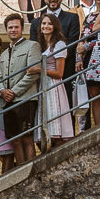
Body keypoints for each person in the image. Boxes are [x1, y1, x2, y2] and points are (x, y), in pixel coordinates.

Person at [0, 14, 42, 166]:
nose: (13, 30)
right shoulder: (3, 54)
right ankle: (21, 172)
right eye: (10, 27)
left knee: (27, 138)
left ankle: (31, 172)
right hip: (7, 101)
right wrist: (2, 91)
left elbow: (33, 75)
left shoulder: (32, 46)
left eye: (16, 27)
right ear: (6, 30)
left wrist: (13, 91)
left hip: (25, 99)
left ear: (22, 28)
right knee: (14, 139)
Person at [35, 15, 74, 150]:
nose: (46, 26)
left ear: (55, 27)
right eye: (43, 23)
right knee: (41, 132)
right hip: (41, 85)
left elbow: (59, 73)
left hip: (53, 86)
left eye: (49, 24)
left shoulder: (59, 44)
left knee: (55, 128)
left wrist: (39, 70)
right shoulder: (39, 45)